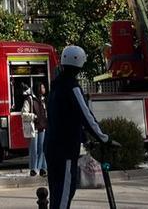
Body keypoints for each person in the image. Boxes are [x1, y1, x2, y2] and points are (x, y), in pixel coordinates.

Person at [46, 46, 112, 209]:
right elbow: (86, 116)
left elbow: (65, 118)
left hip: (51, 147)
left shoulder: (55, 86)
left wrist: (83, 137)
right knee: (64, 193)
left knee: (56, 191)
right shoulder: (72, 87)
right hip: (66, 150)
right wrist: (104, 138)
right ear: (80, 63)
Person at [22, 85, 48, 177]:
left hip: (42, 127)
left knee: (43, 149)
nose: (44, 89)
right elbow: (23, 114)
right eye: (42, 87)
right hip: (34, 128)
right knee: (34, 149)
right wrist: (33, 116)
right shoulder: (29, 100)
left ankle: (43, 169)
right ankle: (33, 169)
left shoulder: (43, 99)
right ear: (38, 89)